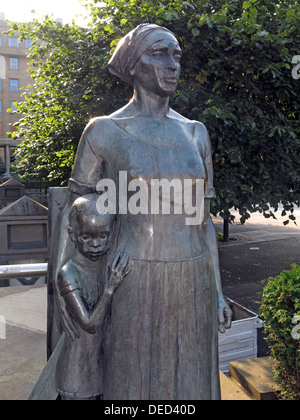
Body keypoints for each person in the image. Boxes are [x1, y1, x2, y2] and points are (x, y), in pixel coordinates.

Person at [56, 23, 232, 400]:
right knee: (134, 383)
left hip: (193, 278)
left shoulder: (195, 133)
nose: (172, 65)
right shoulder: (103, 131)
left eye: (177, 56)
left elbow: (202, 223)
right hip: (131, 279)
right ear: (133, 66)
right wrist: (68, 292)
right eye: (159, 54)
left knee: (191, 381)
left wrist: (217, 293)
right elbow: (75, 217)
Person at [55, 194, 131, 400]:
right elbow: (89, 323)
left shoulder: (105, 263)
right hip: (77, 372)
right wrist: (110, 288)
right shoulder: (68, 273)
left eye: (102, 236)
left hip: (100, 366)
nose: (96, 244)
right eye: (87, 237)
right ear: (72, 234)